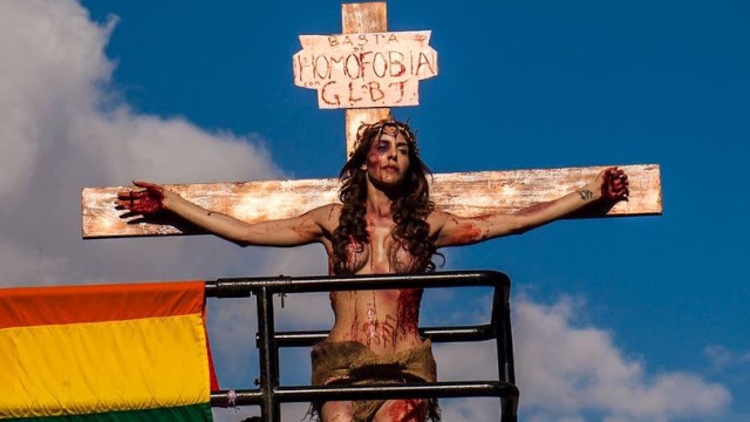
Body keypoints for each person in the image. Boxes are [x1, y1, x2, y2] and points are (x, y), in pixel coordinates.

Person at [117, 119, 628, 422]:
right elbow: (246, 232)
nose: (393, 155)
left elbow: (511, 221)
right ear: (364, 160)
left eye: (402, 150)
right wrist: (174, 204)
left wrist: (588, 193)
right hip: (343, 364)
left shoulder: (428, 225)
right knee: (339, 416)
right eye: (383, 146)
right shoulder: (331, 220)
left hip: (405, 362)